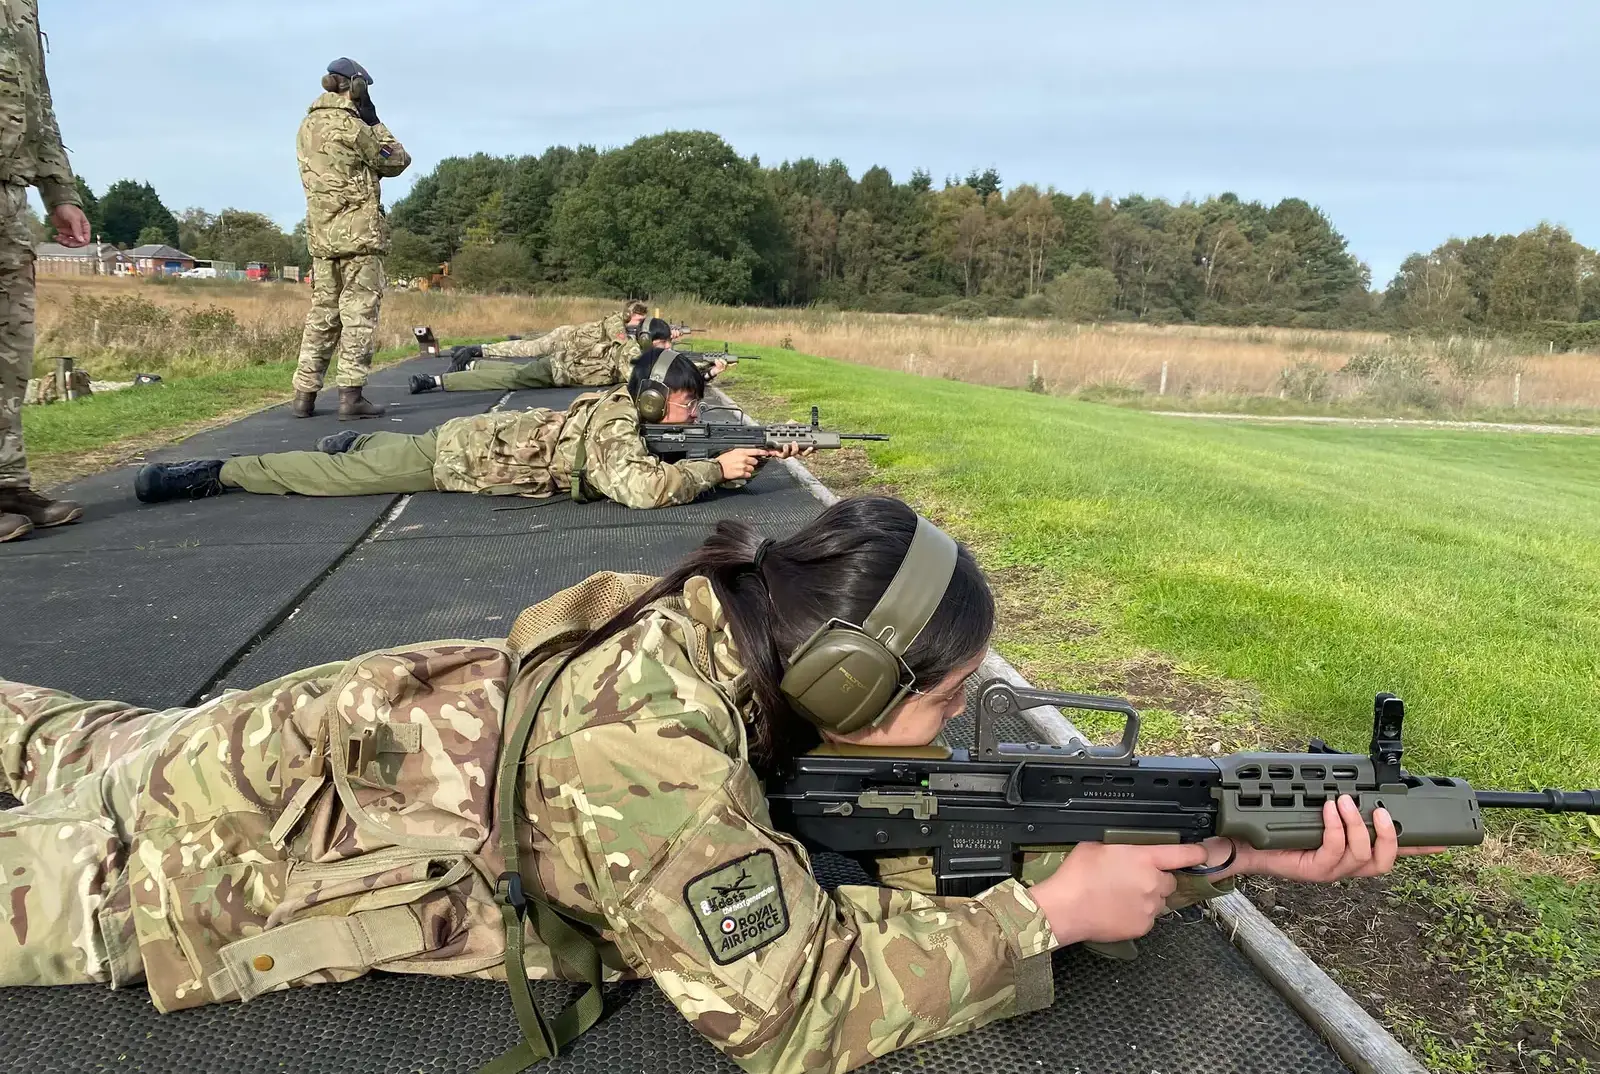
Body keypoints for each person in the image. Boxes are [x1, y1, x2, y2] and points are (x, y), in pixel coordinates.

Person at [0, 496, 1432, 1073]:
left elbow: (872, 844)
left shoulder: (730, 631)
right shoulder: (654, 750)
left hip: (190, 754)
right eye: (940, 699)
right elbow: (789, 1005)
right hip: (148, 868)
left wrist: (1227, 844)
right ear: (849, 684)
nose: (952, 734)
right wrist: (1047, 914)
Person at [133, 352, 774, 509]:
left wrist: (746, 460)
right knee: (332, 480)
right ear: (658, 400)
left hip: (470, 443)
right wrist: (717, 470)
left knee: (385, 452)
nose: (695, 414)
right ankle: (218, 472)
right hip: (457, 460)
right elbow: (638, 487)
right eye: (690, 404)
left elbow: (656, 462)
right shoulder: (615, 425)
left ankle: (363, 439)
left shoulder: (624, 415)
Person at [0, 0, 93, 542]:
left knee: (11, 346)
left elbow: (39, 101)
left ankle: (8, 483)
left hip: (10, 190)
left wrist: (59, 192)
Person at [291, 57, 411, 421]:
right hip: (359, 235)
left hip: (322, 237)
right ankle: (351, 396)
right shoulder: (354, 126)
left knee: (322, 315)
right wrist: (374, 121)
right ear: (355, 86)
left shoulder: (306, 126)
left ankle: (303, 396)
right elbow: (397, 160)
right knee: (358, 314)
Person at [410, 318, 725, 395]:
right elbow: (653, 378)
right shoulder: (630, 354)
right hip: (558, 372)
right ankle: (436, 381)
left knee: (507, 371)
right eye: (663, 343)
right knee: (504, 378)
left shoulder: (630, 345)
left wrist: (705, 369)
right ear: (649, 340)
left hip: (560, 370)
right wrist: (705, 374)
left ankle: (474, 360)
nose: (668, 348)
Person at [467, 300, 651, 366]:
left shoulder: (622, 323)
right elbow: (623, 342)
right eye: (638, 320)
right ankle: (481, 350)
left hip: (569, 341)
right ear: (628, 315)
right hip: (564, 340)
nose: (640, 324)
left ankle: (519, 339)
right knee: (526, 350)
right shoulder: (615, 322)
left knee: (529, 342)